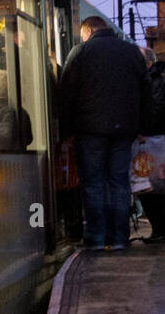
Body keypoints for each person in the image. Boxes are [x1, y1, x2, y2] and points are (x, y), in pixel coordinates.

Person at [60, 15, 149, 251]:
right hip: (124, 131)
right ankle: (119, 238)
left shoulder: (81, 52)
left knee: (93, 184)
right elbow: (146, 91)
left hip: (89, 130)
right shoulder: (132, 53)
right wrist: (141, 127)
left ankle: (96, 238)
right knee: (119, 182)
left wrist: (66, 131)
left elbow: (66, 93)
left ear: (88, 30)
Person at [136, 47, 165, 244]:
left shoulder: (154, 82)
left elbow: (156, 110)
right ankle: (160, 228)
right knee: (149, 185)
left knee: (150, 185)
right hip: (152, 138)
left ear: (148, 62)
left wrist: (143, 129)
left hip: (151, 139)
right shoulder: (154, 81)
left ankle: (160, 228)